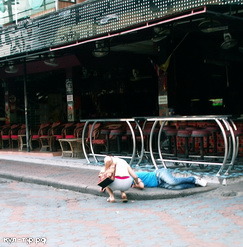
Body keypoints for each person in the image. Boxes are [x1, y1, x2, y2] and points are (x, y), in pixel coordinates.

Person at [132, 168, 207, 190]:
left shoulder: (132, 176)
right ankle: (194, 185)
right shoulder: (130, 182)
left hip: (158, 174)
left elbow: (141, 186)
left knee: (172, 181)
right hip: (159, 184)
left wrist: (135, 186)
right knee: (177, 187)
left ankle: (194, 179)